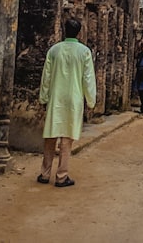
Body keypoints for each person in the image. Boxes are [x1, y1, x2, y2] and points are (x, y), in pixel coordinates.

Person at [37, 16, 96, 188]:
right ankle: (62, 175)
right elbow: (88, 78)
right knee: (66, 138)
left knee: (50, 135)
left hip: (56, 96)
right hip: (74, 97)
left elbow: (46, 77)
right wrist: (91, 100)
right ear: (79, 33)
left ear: (64, 31)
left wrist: (43, 97)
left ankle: (44, 173)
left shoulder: (54, 50)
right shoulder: (84, 51)